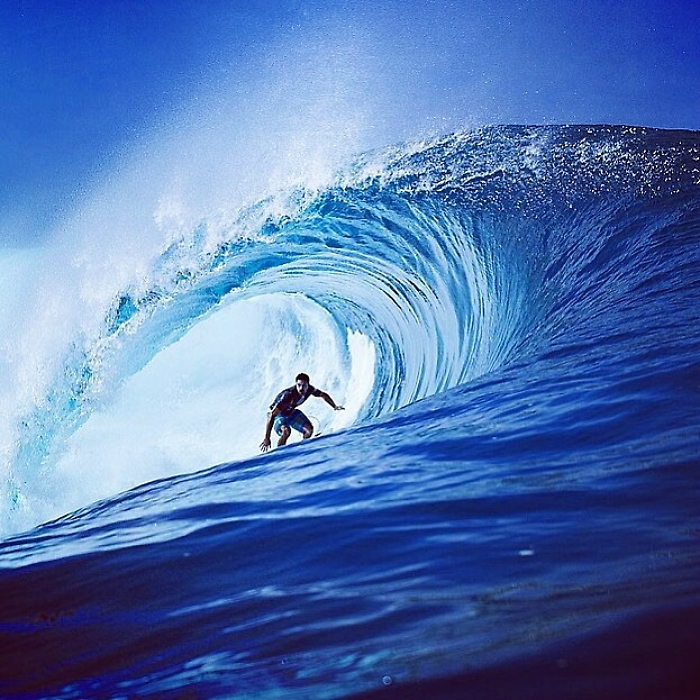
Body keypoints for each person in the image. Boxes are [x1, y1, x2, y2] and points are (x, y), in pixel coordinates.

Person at [260, 373, 344, 452]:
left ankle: (302, 449)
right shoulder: (288, 395)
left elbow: (323, 395)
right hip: (278, 415)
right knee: (286, 431)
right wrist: (267, 437)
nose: (301, 388)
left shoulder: (310, 390)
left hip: (291, 412)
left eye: (304, 385)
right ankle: (280, 452)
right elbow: (271, 415)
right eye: (299, 385)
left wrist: (334, 406)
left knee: (309, 430)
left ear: (308, 385)